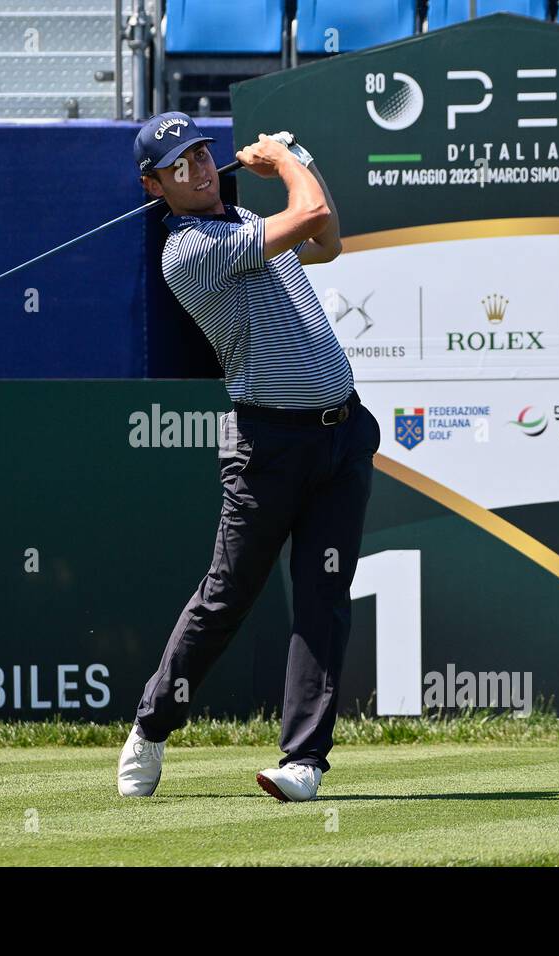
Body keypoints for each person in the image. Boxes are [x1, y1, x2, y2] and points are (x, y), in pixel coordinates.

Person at [117, 112, 381, 802]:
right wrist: (286, 159)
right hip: (269, 447)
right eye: (182, 165)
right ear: (155, 186)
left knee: (325, 598)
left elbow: (327, 236)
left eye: (203, 154)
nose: (201, 168)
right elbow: (311, 208)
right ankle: (152, 725)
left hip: (342, 438)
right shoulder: (191, 251)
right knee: (226, 599)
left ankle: (304, 762)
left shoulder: (244, 223)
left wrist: (295, 165)